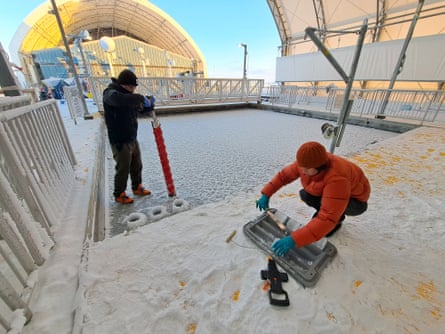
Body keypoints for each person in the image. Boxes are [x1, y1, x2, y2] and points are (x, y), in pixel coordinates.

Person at [256, 141, 370, 256]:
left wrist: (294, 239)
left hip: (355, 202)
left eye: (306, 168)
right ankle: (329, 212)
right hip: (337, 194)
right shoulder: (308, 162)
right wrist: (266, 194)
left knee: (328, 220)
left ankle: (338, 219)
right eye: (301, 167)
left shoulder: (337, 179)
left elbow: (327, 218)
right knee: (306, 194)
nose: (302, 171)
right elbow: (284, 176)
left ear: (319, 166)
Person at [103, 69, 155, 204]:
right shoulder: (111, 93)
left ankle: (137, 186)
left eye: (134, 87)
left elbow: (140, 109)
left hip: (132, 137)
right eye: (131, 86)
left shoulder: (129, 96)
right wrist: (139, 97)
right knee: (123, 167)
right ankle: (119, 194)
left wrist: (149, 105)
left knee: (137, 164)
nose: (133, 89)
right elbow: (119, 100)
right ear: (123, 84)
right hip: (119, 140)